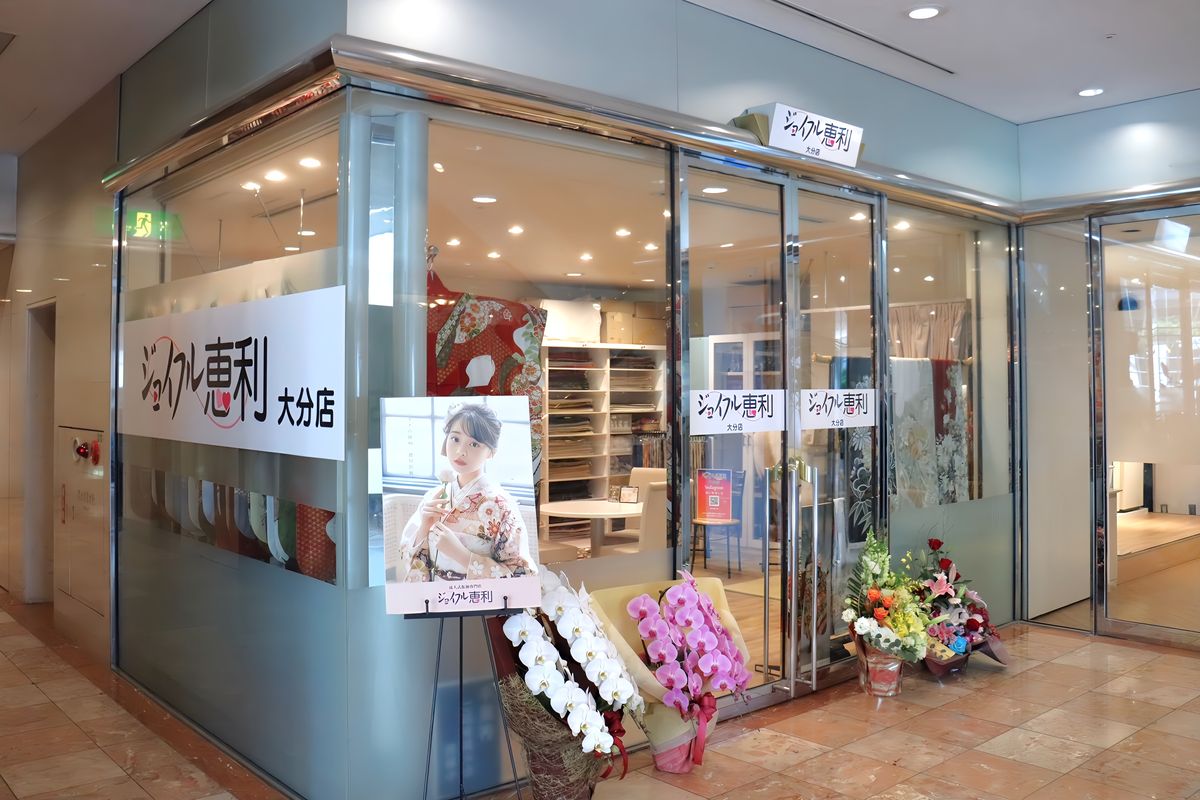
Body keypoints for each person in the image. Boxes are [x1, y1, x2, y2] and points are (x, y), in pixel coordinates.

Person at [397, 403, 537, 582]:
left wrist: (461, 555)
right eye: (455, 439)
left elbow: (521, 575)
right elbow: (408, 556)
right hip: (439, 597)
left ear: (491, 452)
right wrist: (424, 527)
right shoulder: (433, 497)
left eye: (474, 444)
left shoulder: (501, 505)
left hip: (480, 598)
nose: (460, 451)